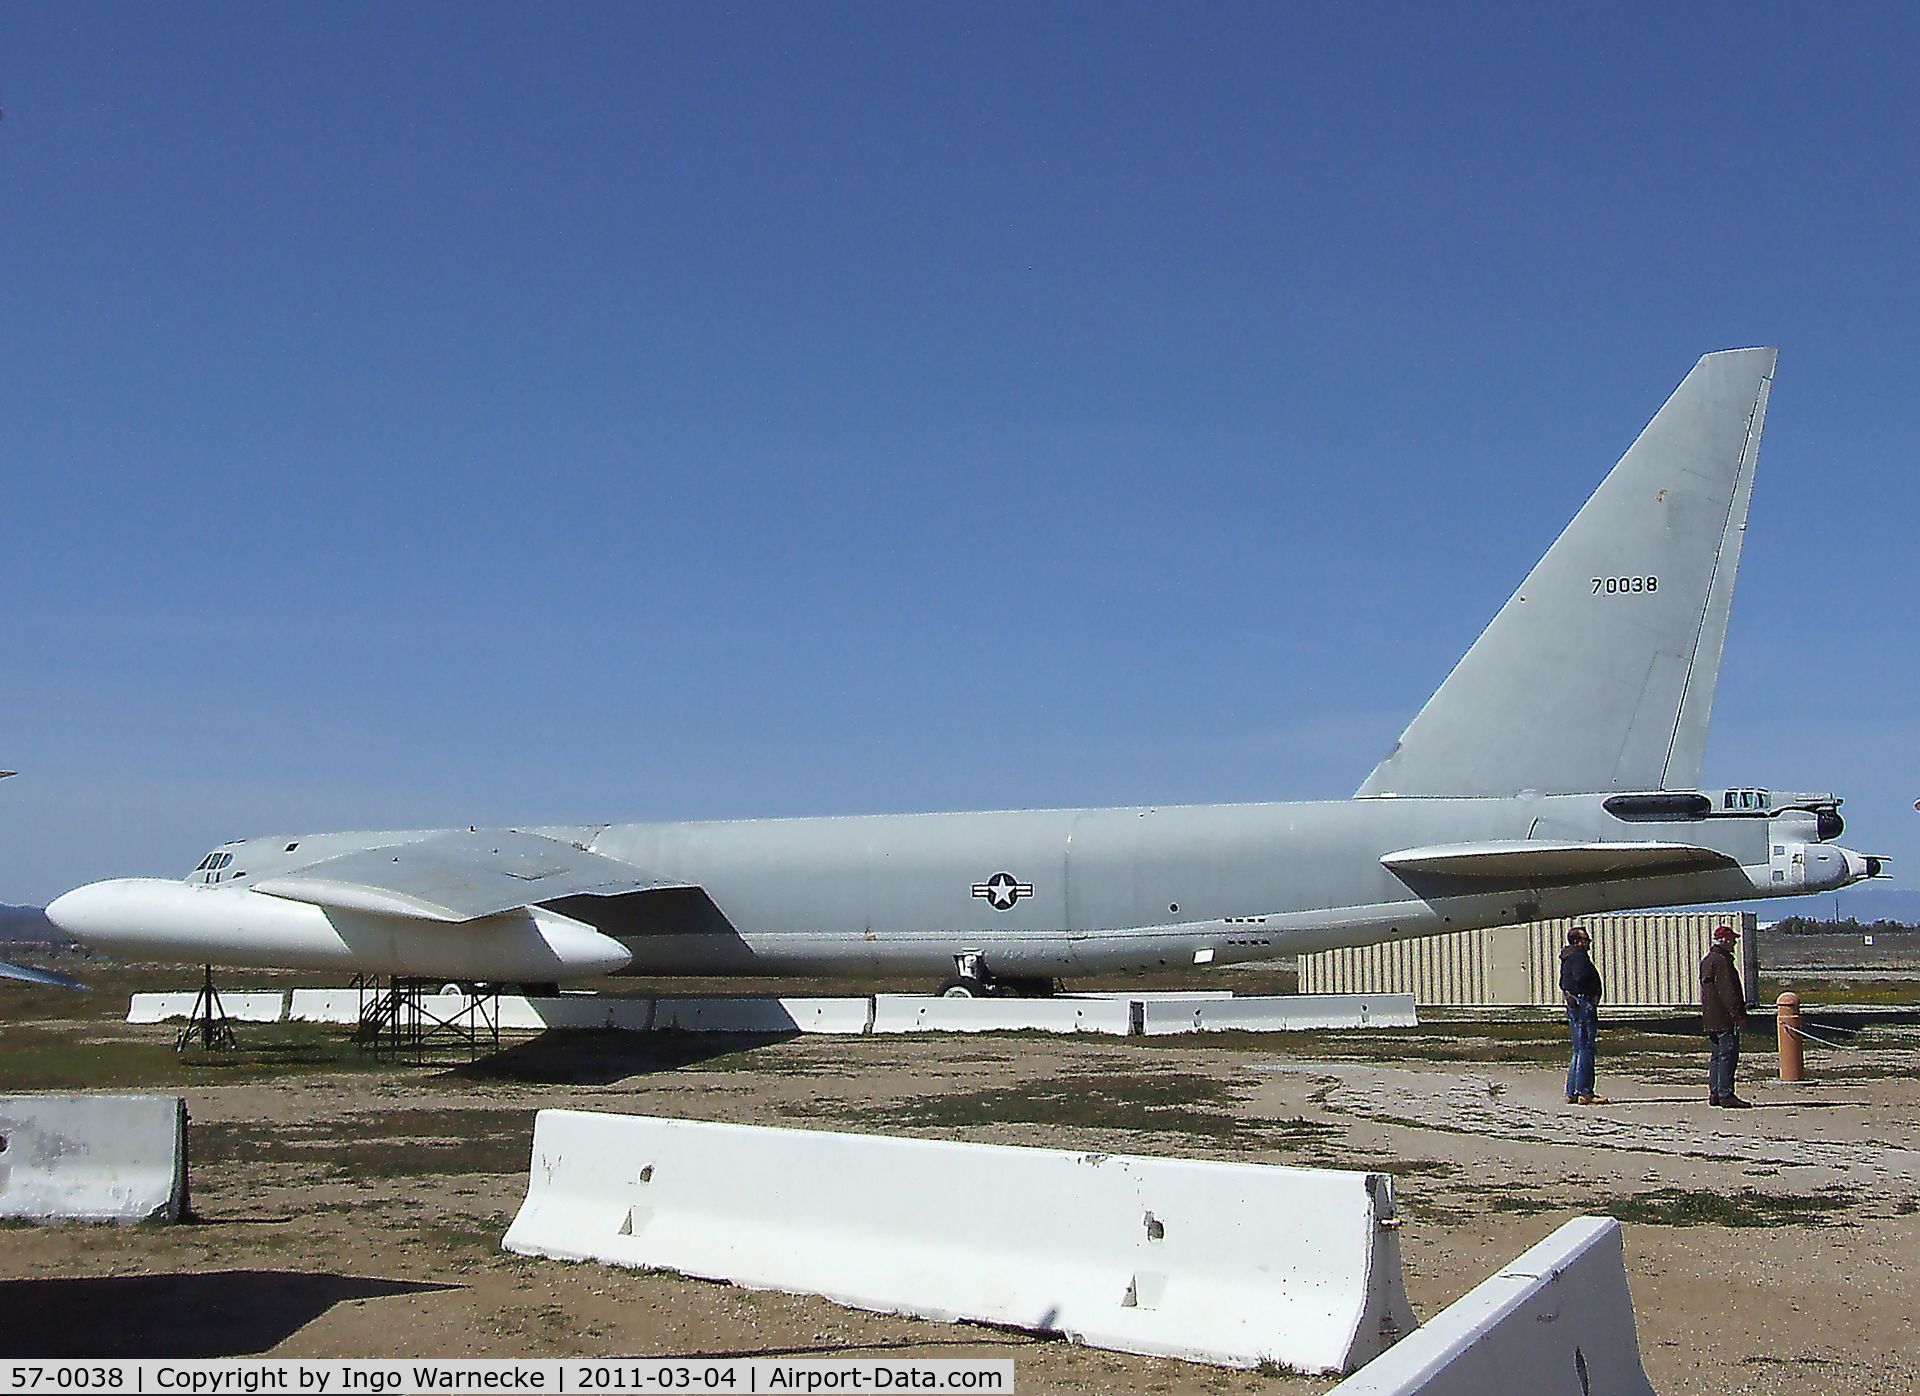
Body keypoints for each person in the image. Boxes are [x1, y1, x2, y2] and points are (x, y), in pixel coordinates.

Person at [1700, 923, 1750, 1107]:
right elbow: (1728, 991)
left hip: (1710, 1016)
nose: (1734, 944)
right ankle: (1725, 1093)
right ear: (1725, 941)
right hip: (1724, 1017)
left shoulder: (1707, 960)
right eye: (1732, 941)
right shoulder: (1722, 962)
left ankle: (1714, 1092)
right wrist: (1738, 1014)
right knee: (1728, 1055)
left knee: (1716, 1056)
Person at [1559, 926, 1607, 1105]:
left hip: (1575, 1003)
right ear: (1577, 941)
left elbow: (1563, 982)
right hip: (1583, 1003)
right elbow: (1580, 978)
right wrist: (1591, 993)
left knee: (1578, 1049)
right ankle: (1585, 1091)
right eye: (1586, 940)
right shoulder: (1579, 957)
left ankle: (1572, 1091)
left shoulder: (1567, 957)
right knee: (1586, 1047)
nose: (1589, 943)